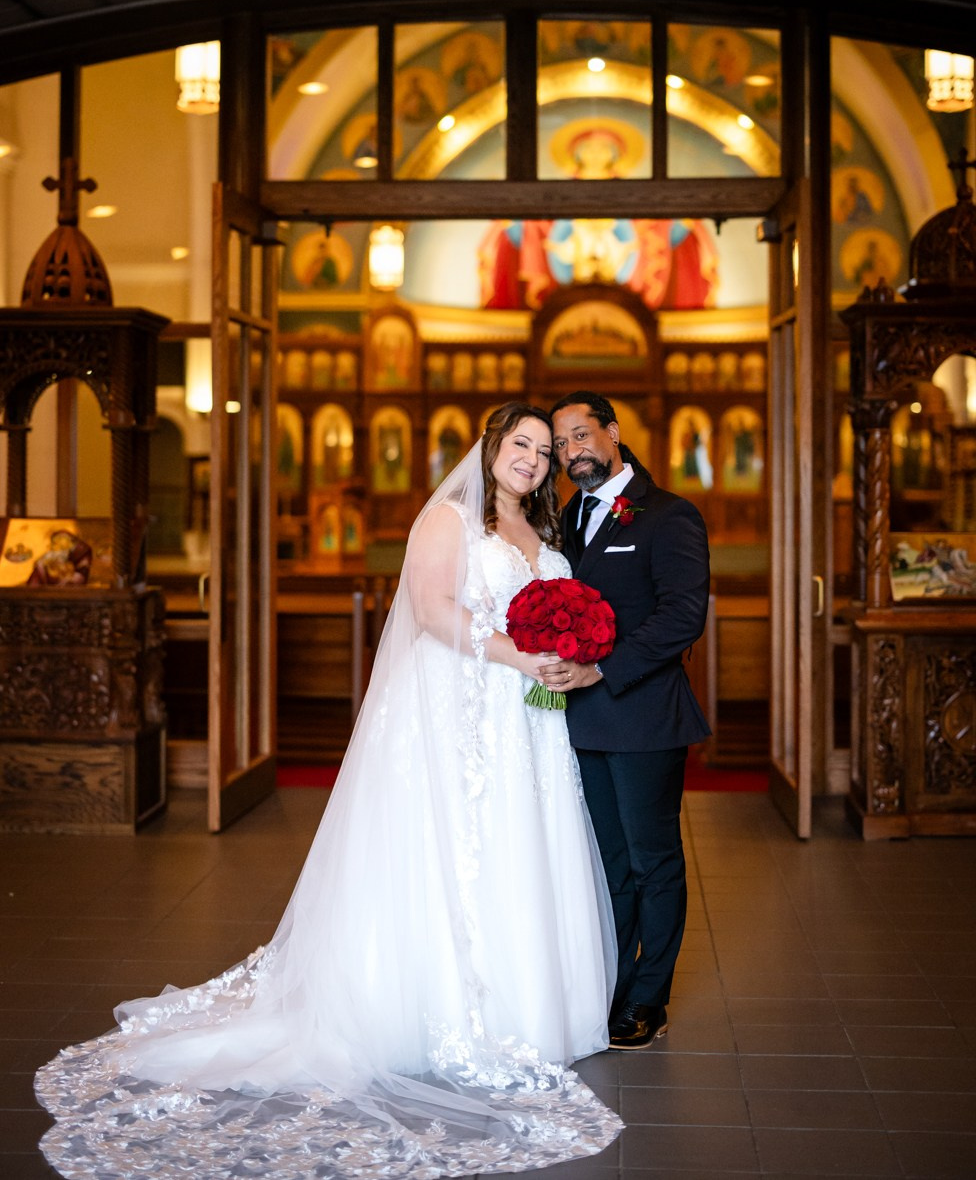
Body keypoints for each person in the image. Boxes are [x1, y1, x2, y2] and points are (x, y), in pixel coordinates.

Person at [36, 402, 621, 1180]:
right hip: (460, 709)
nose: (534, 460)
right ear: (490, 448)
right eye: (522, 444)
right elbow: (432, 610)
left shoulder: (543, 535)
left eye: (544, 451)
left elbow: (547, 617)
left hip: (526, 721)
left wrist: (561, 658)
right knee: (452, 849)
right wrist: (521, 658)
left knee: (520, 847)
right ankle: (436, 1008)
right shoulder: (449, 519)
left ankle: (528, 1008)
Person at [546, 391, 711, 1050]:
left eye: (583, 435)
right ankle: (609, 986)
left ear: (613, 433)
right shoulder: (565, 517)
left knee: (653, 860)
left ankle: (649, 997)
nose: (572, 451)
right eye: (561, 444)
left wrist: (603, 670)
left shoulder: (669, 514)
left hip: (643, 717)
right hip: (578, 721)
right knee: (605, 862)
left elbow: (681, 617)